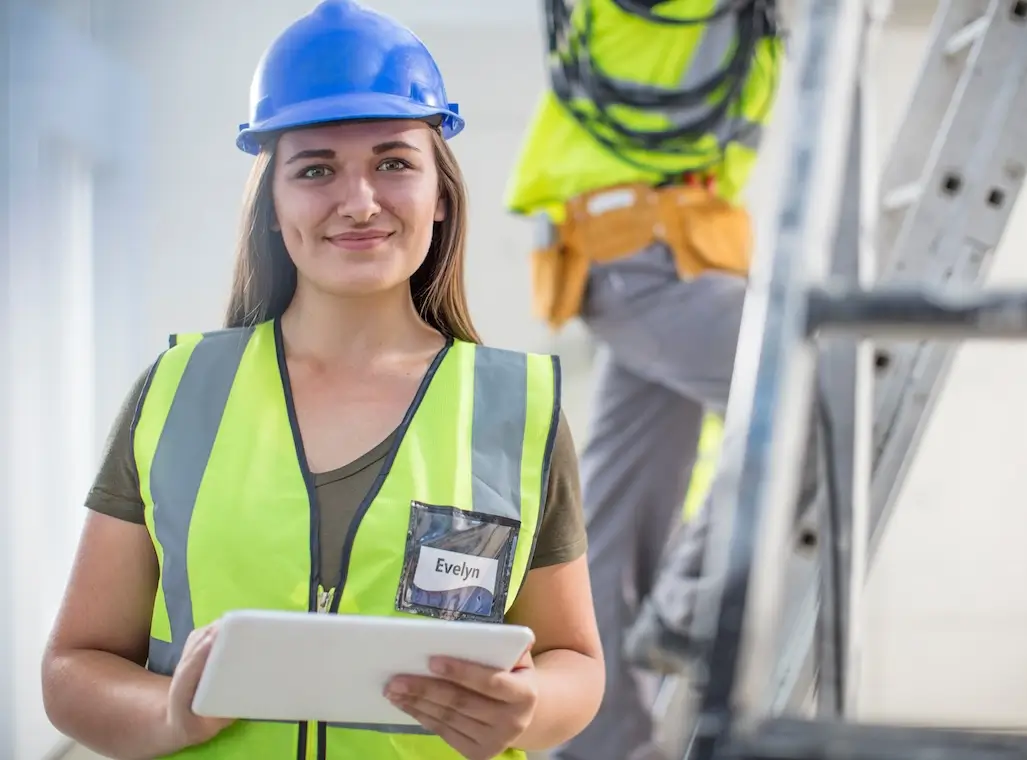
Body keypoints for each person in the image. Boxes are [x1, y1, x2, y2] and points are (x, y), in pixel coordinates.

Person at [40, 2, 604, 758]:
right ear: (273, 206)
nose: (359, 201)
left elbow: (577, 661)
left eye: (393, 162)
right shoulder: (178, 393)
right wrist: (169, 716)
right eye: (315, 169)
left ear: (441, 195)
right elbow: (73, 666)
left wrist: (528, 709)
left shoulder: (516, 409)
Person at [502, 1, 784, 758]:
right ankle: (692, 609)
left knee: (620, 518)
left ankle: (607, 744)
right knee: (793, 395)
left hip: (666, 249)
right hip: (636, 250)